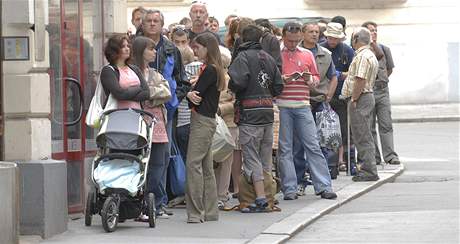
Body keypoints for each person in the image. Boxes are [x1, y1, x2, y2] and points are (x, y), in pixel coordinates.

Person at [277, 22, 337, 200]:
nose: (293, 44)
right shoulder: (277, 54)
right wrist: (283, 80)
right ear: (283, 37)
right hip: (283, 104)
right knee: (285, 148)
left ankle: (324, 186)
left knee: (313, 145)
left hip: (303, 104)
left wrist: (311, 80)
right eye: (289, 41)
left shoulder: (307, 54)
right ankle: (290, 188)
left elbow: (317, 77)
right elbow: (273, 80)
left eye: (296, 41)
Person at [228, 25, 284, 212]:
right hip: (268, 112)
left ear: (242, 39)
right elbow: (278, 86)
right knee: (265, 158)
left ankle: (259, 197)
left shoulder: (242, 57)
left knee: (251, 157)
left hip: (249, 114)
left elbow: (238, 82)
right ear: (260, 40)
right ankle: (269, 197)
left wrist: (233, 86)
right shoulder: (268, 58)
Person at [140, 9, 190, 215]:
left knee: (162, 154)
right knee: (141, 153)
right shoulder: (134, 44)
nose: (152, 24)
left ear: (162, 25)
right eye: (149, 21)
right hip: (138, 108)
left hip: (165, 110)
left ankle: (157, 202)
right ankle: (138, 199)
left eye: (156, 21)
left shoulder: (170, 48)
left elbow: (182, 80)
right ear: (143, 24)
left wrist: (173, 100)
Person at [185, 32, 225, 223]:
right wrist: (191, 92)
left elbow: (196, 95)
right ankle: (210, 212)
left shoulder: (209, 70)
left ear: (207, 48)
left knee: (193, 165)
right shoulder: (215, 69)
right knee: (206, 167)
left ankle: (195, 212)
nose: (195, 51)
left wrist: (189, 93)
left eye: (198, 47)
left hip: (201, 120)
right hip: (208, 120)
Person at [294, 22, 338, 193]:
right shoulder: (293, 52)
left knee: (321, 143)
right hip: (300, 101)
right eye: (310, 31)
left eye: (316, 32)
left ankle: (322, 181)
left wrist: (328, 96)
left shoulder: (325, 54)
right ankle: (299, 181)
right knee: (298, 145)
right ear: (303, 33)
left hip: (318, 102)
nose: (314, 34)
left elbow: (333, 76)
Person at [131, 36, 172, 219]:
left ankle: (152, 203)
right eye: (151, 49)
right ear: (141, 51)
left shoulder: (155, 73)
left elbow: (167, 92)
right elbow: (135, 92)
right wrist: (152, 93)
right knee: (139, 164)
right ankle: (138, 203)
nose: (154, 52)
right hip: (138, 122)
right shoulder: (132, 72)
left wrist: (148, 93)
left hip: (158, 123)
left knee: (158, 163)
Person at [341, 27, 379, 182]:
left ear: (356, 39)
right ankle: (367, 168)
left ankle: (368, 170)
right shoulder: (368, 54)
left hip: (361, 97)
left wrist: (354, 98)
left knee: (362, 135)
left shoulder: (363, 56)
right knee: (364, 134)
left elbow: (360, 79)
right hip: (365, 96)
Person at [362, 21, 400, 165]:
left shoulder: (384, 49)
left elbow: (389, 69)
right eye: (371, 30)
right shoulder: (361, 51)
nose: (374, 33)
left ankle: (390, 155)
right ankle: (375, 157)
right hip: (368, 90)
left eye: (375, 30)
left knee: (386, 124)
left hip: (382, 90)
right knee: (370, 126)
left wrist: (381, 80)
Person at [320, 22, 355, 172]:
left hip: (341, 94)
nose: (333, 41)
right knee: (323, 129)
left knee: (343, 128)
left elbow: (352, 72)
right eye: (331, 38)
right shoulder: (320, 49)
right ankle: (328, 162)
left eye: (336, 38)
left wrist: (338, 75)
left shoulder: (347, 50)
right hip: (323, 93)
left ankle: (347, 161)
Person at [100, 34, 149, 110]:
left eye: (128, 46)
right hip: (117, 116)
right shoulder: (108, 71)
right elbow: (120, 95)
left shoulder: (134, 69)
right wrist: (139, 88)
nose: (127, 49)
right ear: (114, 50)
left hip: (137, 115)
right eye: (123, 47)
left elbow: (146, 93)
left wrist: (126, 94)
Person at [214, 46, 236, 210]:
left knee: (225, 161)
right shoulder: (211, 77)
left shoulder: (230, 80)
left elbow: (236, 102)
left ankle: (221, 194)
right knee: (214, 160)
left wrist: (221, 108)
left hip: (228, 123)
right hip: (213, 122)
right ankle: (214, 194)